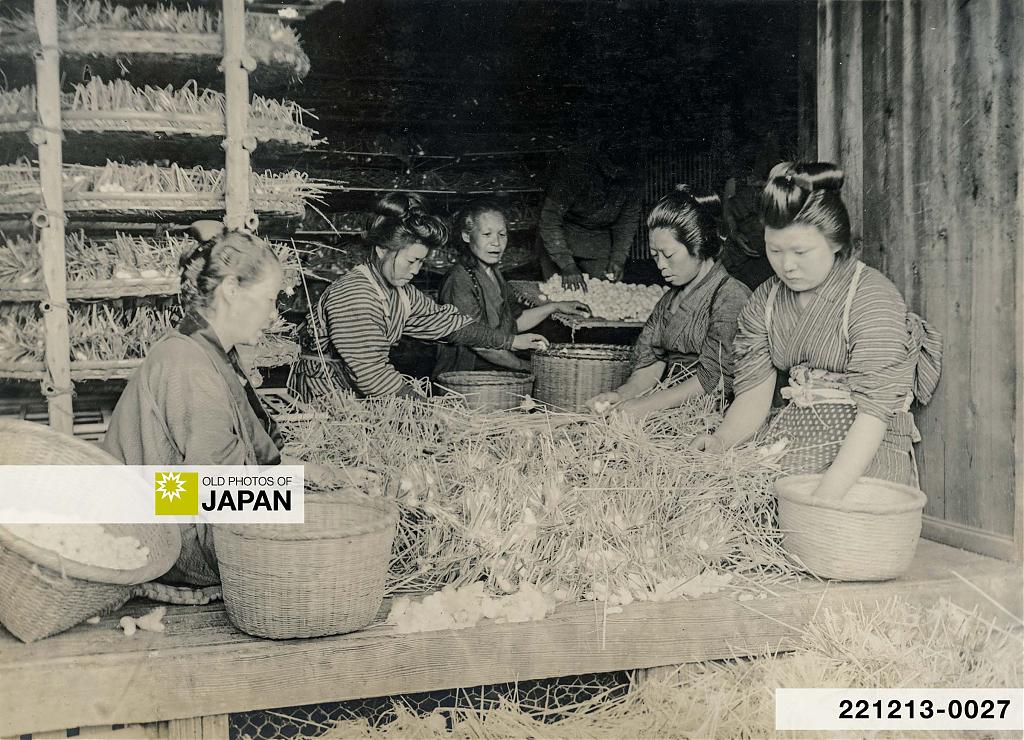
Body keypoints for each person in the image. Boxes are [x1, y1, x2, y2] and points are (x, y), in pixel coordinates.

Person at [103, 226, 339, 585]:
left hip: (169, 508)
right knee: (330, 532)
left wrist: (306, 474)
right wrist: (301, 500)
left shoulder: (202, 348)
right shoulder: (189, 364)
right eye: (268, 298)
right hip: (166, 540)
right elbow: (215, 492)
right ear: (231, 289)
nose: (272, 313)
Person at [693, 162, 942, 501]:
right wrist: (722, 441)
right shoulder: (765, 300)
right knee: (727, 499)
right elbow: (753, 397)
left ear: (836, 243)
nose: (787, 265)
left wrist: (825, 496)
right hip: (794, 433)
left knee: (832, 522)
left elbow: (875, 414)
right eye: (774, 250)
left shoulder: (872, 297)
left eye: (801, 251)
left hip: (867, 442)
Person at [288, 194, 550, 400]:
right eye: (411, 261)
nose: (415, 271)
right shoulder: (355, 295)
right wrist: (424, 408)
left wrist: (510, 340)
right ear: (381, 250)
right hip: (324, 392)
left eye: (421, 262)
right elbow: (373, 376)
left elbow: (451, 325)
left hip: (357, 387)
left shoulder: (401, 293)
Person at [585, 187, 751, 417]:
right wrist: (622, 395)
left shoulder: (730, 297)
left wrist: (645, 406)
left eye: (668, 255)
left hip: (710, 416)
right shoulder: (669, 299)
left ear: (699, 245)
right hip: (666, 409)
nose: (661, 265)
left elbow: (714, 378)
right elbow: (651, 361)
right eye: (655, 256)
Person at [435, 200, 590, 375]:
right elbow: (477, 342)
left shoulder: (494, 273)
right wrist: (525, 366)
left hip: (494, 367)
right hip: (467, 374)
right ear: (466, 236)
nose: (497, 243)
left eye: (502, 234)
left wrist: (554, 307)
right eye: (487, 234)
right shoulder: (460, 279)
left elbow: (513, 322)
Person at [537, 139, 641, 290]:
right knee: (557, 291)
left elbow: (627, 221)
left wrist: (618, 258)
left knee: (605, 290)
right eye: (611, 167)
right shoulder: (574, 170)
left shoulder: (632, 177)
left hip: (597, 239)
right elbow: (549, 220)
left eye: (622, 169)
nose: (616, 173)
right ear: (601, 157)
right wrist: (566, 264)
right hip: (561, 234)